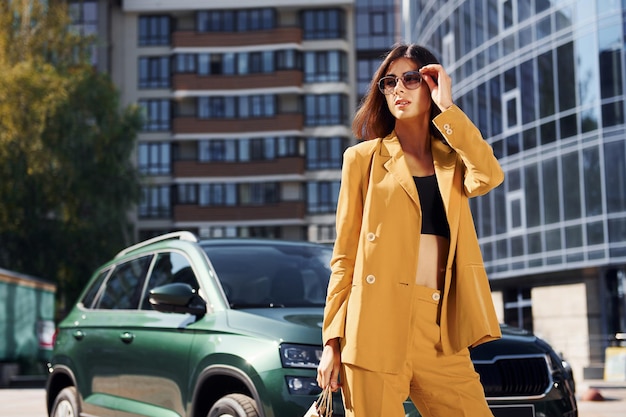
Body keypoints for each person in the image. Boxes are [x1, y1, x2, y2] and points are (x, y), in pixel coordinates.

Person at [316, 43, 504, 417]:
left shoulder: (453, 158)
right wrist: (331, 342)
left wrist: (447, 109)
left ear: (431, 83)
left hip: (436, 326)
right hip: (373, 325)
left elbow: (489, 175)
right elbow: (344, 256)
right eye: (389, 82)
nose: (398, 89)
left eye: (410, 78)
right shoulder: (362, 159)